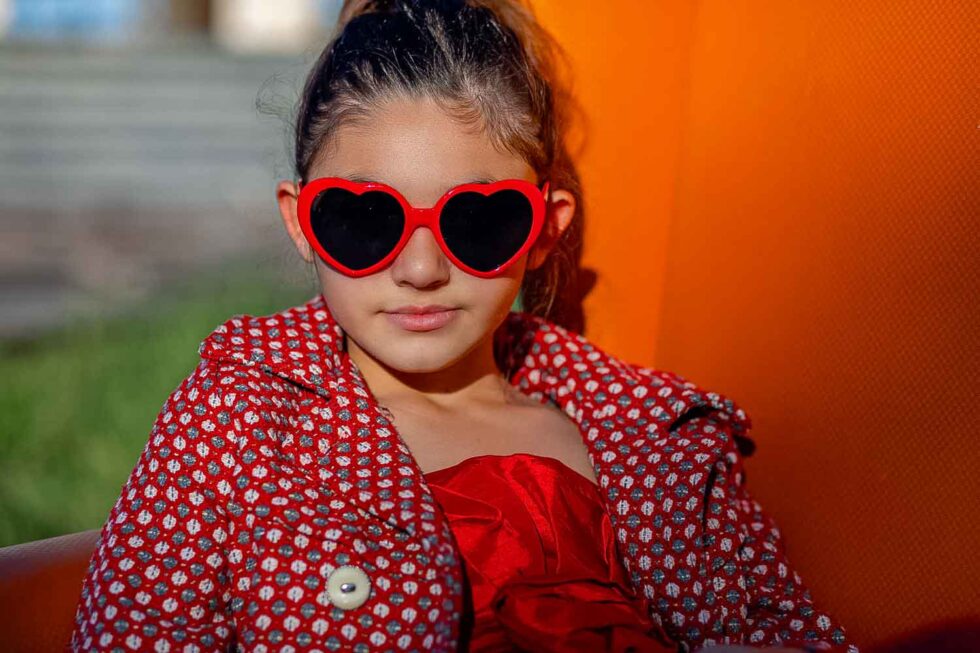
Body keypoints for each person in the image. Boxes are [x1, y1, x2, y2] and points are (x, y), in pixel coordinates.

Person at [68, 1, 857, 651]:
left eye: (477, 222)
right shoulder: (234, 419)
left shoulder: (660, 439)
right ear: (301, 223)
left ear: (544, 229)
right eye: (364, 219)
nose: (419, 269)